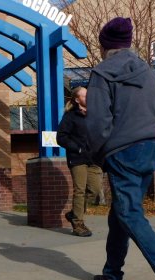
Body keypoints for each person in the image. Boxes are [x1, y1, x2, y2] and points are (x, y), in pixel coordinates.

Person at [85, 17, 155, 280]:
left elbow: (97, 122)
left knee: (129, 212)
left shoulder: (102, 74)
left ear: (105, 45)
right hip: (151, 145)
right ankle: (112, 274)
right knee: (121, 210)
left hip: (123, 149)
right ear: (128, 43)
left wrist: (96, 153)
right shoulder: (149, 73)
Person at [56, 86, 103, 237]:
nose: (88, 98)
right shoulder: (70, 116)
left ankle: (73, 213)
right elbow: (61, 137)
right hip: (78, 159)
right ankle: (78, 224)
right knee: (80, 190)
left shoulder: (95, 115)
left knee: (94, 190)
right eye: (84, 96)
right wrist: (78, 149)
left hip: (94, 159)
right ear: (77, 100)